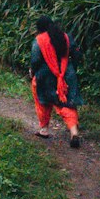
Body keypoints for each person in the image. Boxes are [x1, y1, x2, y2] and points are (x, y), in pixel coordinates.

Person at [29, 14, 82, 147]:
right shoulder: (65, 36)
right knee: (67, 102)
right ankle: (74, 132)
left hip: (45, 75)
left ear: (39, 27)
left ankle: (44, 129)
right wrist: (71, 70)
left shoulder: (39, 40)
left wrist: (33, 71)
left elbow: (35, 59)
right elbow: (75, 53)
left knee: (43, 100)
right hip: (66, 74)